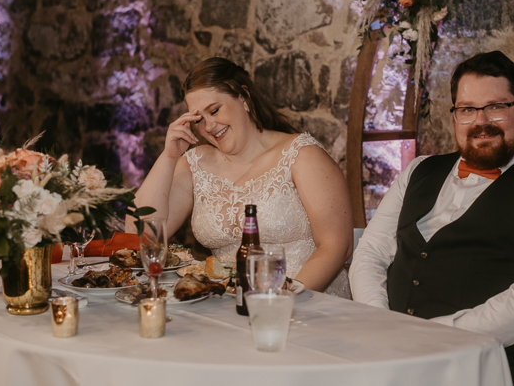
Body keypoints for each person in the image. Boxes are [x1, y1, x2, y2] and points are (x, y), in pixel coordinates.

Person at [349, 51, 514, 385]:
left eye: (496, 106)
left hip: (486, 369)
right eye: (467, 109)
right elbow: (371, 251)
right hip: (393, 357)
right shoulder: (419, 170)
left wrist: (438, 335)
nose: (481, 121)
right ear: (454, 116)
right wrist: (381, 323)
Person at [131, 57, 352, 297]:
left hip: (306, 300)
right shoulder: (196, 163)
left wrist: (281, 300)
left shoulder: (302, 155)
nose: (209, 126)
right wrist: (168, 156)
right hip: (227, 306)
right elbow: (139, 233)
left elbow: (337, 246)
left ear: (244, 98)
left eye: (214, 110)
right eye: (199, 119)